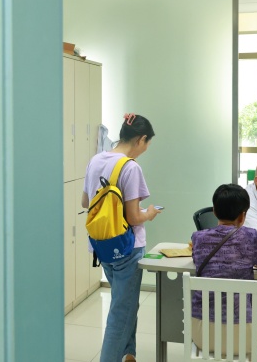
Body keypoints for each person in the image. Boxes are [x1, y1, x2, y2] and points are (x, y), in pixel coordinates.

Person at [81, 113, 161, 362]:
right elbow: (134, 217)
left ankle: (128, 354)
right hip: (127, 247)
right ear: (141, 139)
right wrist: (149, 213)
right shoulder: (130, 167)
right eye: (147, 143)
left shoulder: (96, 160)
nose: (146, 149)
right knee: (121, 312)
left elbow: (85, 202)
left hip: (103, 245)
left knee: (125, 305)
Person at [191, 183, 257, 356]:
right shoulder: (250, 236)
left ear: (214, 211)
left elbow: (198, 260)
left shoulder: (198, 238)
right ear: (243, 215)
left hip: (202, 335)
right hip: (241, 336)